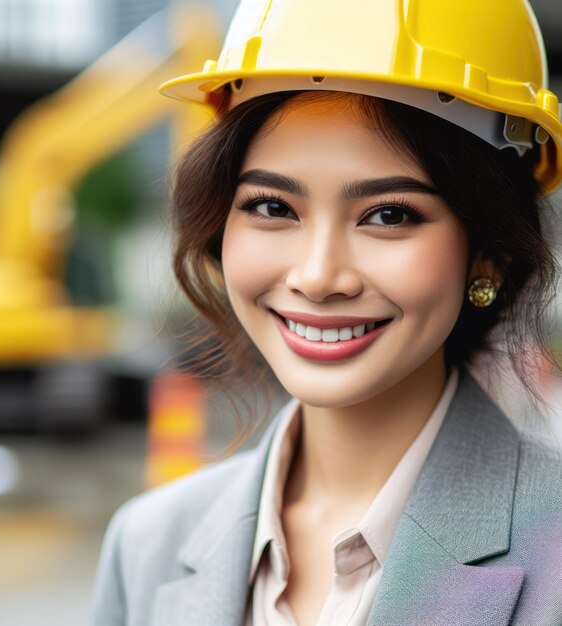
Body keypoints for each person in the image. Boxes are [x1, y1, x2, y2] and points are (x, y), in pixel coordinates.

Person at [92, 1, 562, 624]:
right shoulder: (146, 546)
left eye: (389, 214)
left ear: (490, 254)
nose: (317, 277)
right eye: (271, 206)